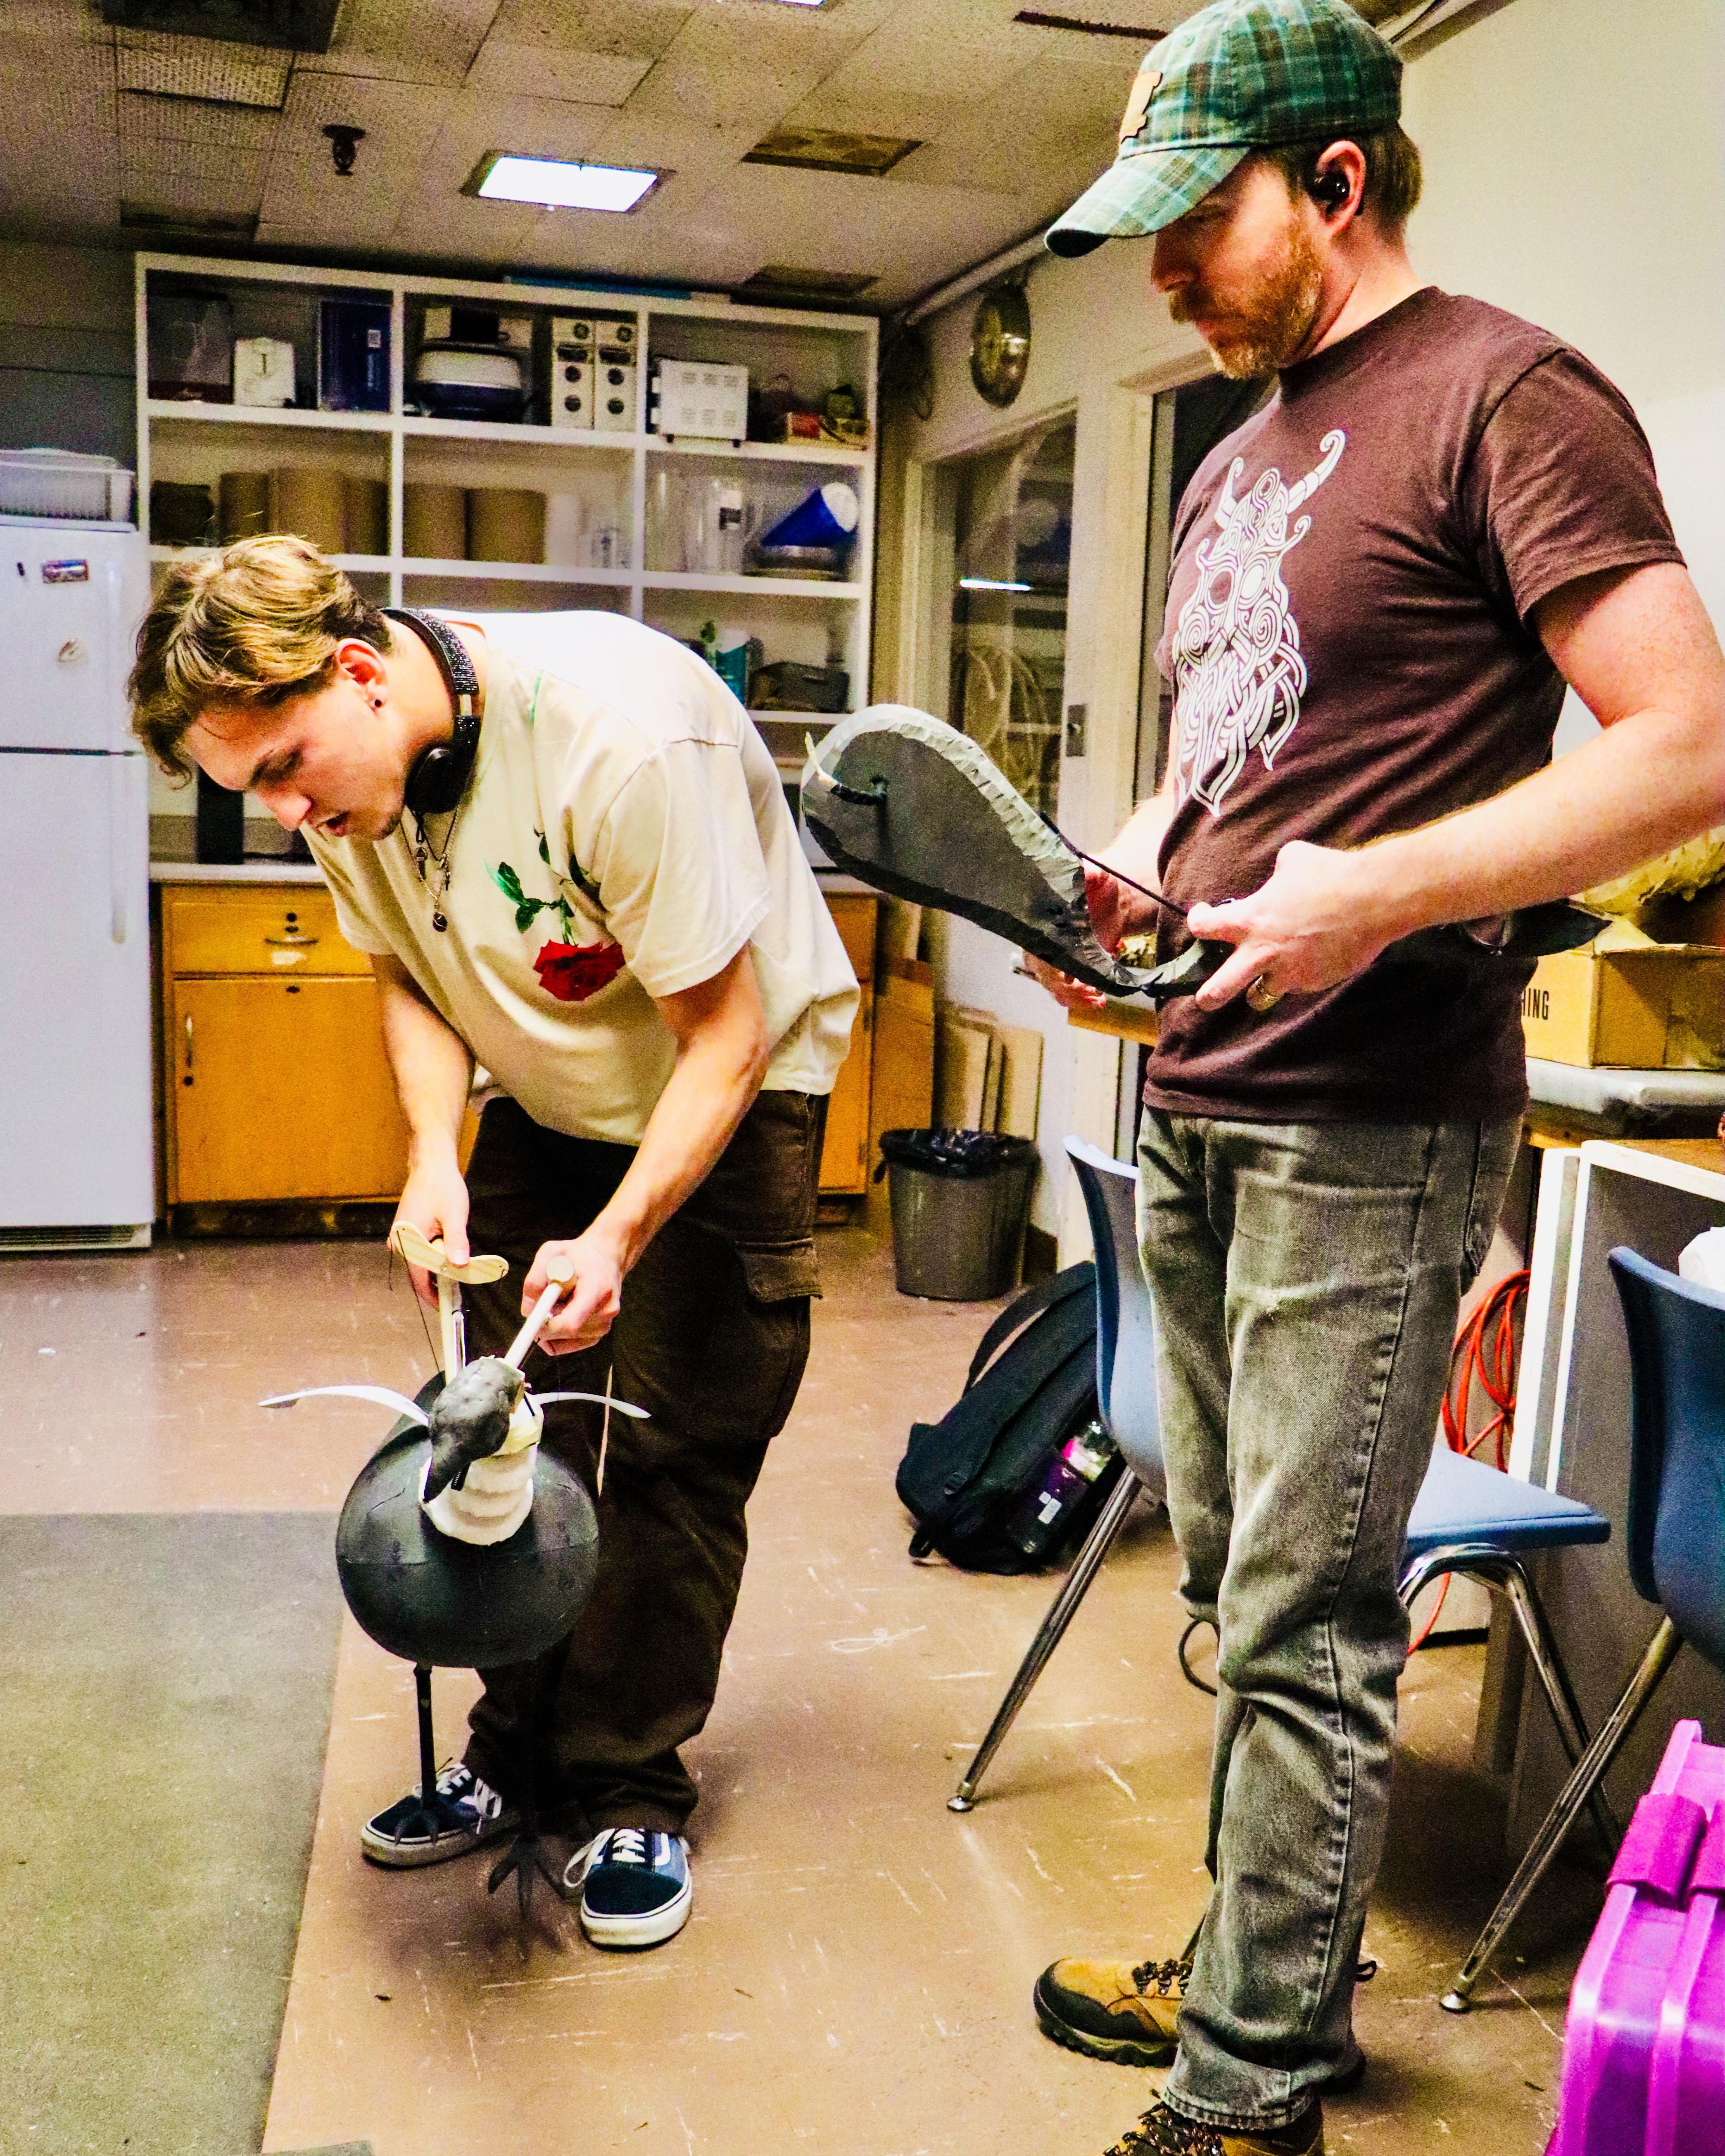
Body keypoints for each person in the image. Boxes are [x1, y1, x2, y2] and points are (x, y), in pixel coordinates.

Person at [1024, 2, 1725, 2150]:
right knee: (1238, 1603)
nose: (1159, 277)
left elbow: (1688, 742)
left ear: (1337, 184)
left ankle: (1251, 2094)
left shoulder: (1509, 392)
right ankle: (1272, 1966)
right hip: (1212, 1086)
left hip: (1375, 1115)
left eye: (1193, 226)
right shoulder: (1238, 456)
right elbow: (1235, 754)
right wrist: (1131, 869)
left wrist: (1380, 898)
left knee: (1316, 1618)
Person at [129, 540, 859, 1951]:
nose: (288, 815)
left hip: (727, 1087)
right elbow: (407, 969)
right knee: (498, 1430)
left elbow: (725, 1033)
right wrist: (430, 1154)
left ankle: (628, 1786)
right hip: (547, 1085)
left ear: (356, 670)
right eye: (252, 793)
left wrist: (620, 1233)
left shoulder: (620, 740)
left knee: (667, 1447)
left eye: (287, 768)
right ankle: (514, 1750)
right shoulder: (357, 792)